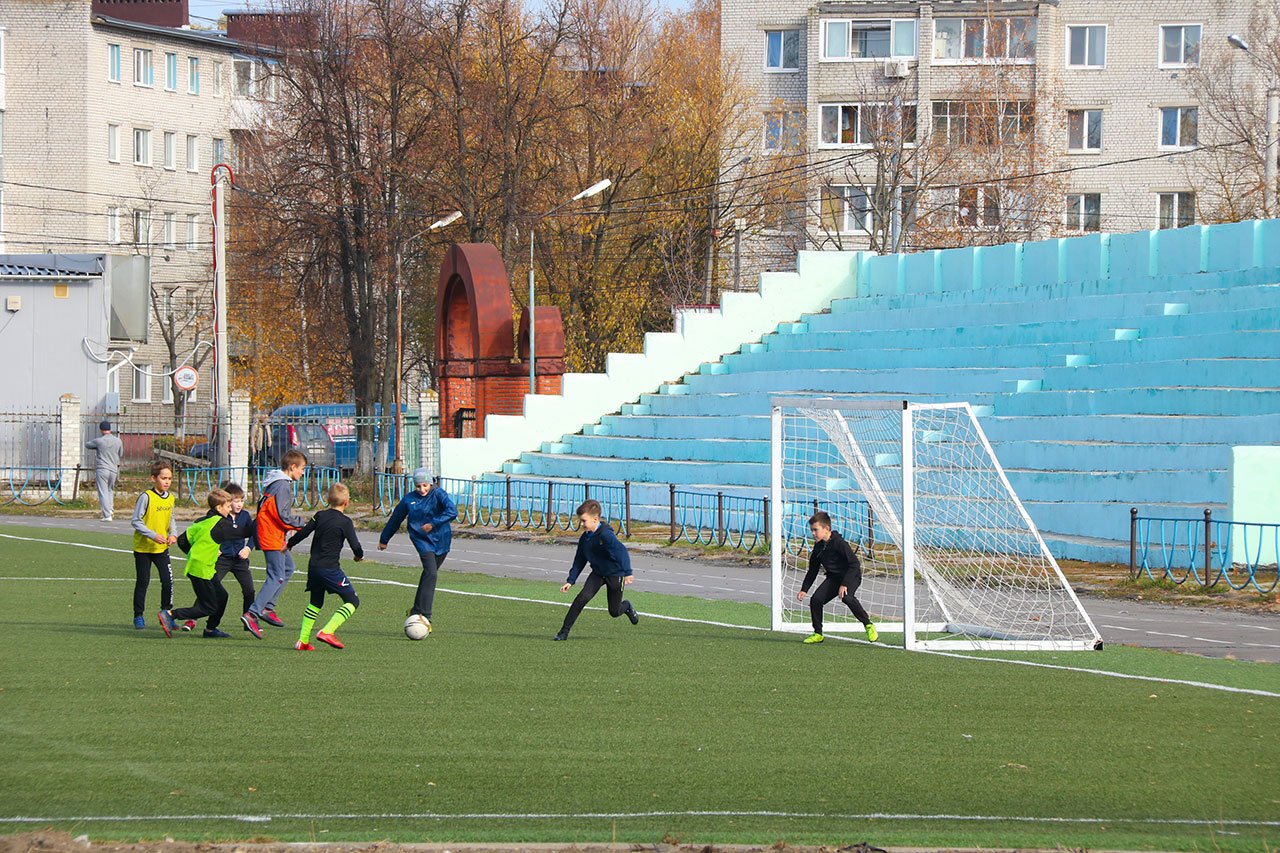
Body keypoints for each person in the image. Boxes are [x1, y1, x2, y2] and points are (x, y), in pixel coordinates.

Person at [378, 467, 456, 635]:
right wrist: (384, 539)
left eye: (425, 485)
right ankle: (426, 615)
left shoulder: (439, 494)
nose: (422, 489)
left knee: (429, 574)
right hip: (421, 540)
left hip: (442, 539)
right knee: (431, 573)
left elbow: (452, 511)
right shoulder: (409, 500)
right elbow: (395, 519)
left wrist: (433, 524)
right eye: (418, 486)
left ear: (431, 483)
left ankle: (415, 609)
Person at [288, 483, 364, 650]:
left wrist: (289, 544)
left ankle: (302, 640)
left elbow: (304, 532)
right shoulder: (345, 522)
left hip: (313, 567)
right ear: (347, 502)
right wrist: (359, 556)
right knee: (352, 600)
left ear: (328, 500)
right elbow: (356, 546)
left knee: (315, 602)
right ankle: (328, 631)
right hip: (329, 568)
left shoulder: (320, 515)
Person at [157, 488, 239, 638]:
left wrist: (195, 553)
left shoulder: (204, 520)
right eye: (228, 506)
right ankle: (170, 614)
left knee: (222, 596)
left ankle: (210, 630)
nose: (230, 509)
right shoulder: (219, 523)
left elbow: (182, 541)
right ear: (219, 508)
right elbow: (241, 532)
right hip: (200, 569)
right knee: (208, 607)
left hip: (205, 568)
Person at [553, 499, 638, 640]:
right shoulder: (585, 538)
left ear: (595, 519)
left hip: (615, 574)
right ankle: (563, 632)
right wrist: (571, 580)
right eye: (580, 521)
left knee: (614, 611)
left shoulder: (606, 535)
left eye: (583, 521)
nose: (581, 524)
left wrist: (627, 572)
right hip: (598, 574)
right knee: (581, 598)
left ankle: (627, 606)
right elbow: (579, 560)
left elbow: (621, 551)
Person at [247, 449, 309, 628]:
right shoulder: (282, 485)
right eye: (302, 468)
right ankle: (254, 612)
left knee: (289, 568)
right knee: (276, 576)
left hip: (273, 534)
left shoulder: (277, 482)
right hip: (271, 536)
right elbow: (281, 515)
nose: (303, 473)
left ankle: (268, 607)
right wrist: (300, 523)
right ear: (292, 467)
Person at [797, 511, 878, 644]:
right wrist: (804, 589)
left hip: (851, 576)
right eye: (811, 530)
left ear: (826, 529)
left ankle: (868, 624)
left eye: (815, 530)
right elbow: (813, 570)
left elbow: (854, 564)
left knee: (847, 597)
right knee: (816, 600)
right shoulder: (818, 547)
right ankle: (818, 633)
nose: (813, 533)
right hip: (834, 579)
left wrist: (845, 584)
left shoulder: (839, 543)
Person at [129, 461, 178, 629]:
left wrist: (173, 534)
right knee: (143, 582)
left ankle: (166, 614)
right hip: (144, 548)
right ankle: (138, 616)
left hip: (162, 549)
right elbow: (136, 521)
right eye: (163, 478)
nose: (167, 482)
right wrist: (153, 535)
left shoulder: (170, 498)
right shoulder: (146, 497)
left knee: (168, 581)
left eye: (170, 478)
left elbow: (171, 518)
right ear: (153, 478)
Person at [212, 481, 261, 639]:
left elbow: (254, 533)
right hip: (223, 559)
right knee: (211, 587)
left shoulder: (245, 516)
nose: (239, 504)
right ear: (226, 501)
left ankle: (249, 620)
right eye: (235, 501)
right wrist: (215, 549)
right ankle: (193, 618)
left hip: (239, 560)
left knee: (249, 590)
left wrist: (248, 548)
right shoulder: (219, 517)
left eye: (241, 500)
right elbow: (209, 534)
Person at [85, 420, 124, 521]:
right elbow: (121, 454)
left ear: (101, 430)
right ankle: (110, 509)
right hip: (114, 470)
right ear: (110, 429)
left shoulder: (99, 441)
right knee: (110, 490)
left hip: (103, 469)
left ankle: (107, 515)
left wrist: (97, 447)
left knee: (103, 492)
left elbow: (88, 445)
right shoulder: (118, 441)